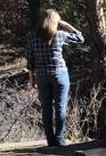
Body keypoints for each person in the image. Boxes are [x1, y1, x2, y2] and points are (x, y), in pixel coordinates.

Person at [26, 10, 84, 147]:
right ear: (55, 22)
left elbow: (30, 61)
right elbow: (80, 38)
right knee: (60, 107)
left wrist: (32, 80)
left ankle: (50, 140)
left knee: (46, 108)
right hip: (60, 74)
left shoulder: (32, 37)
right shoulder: (60, 35)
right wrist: (66, 25)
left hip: (41, 76)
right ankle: (60, 139)